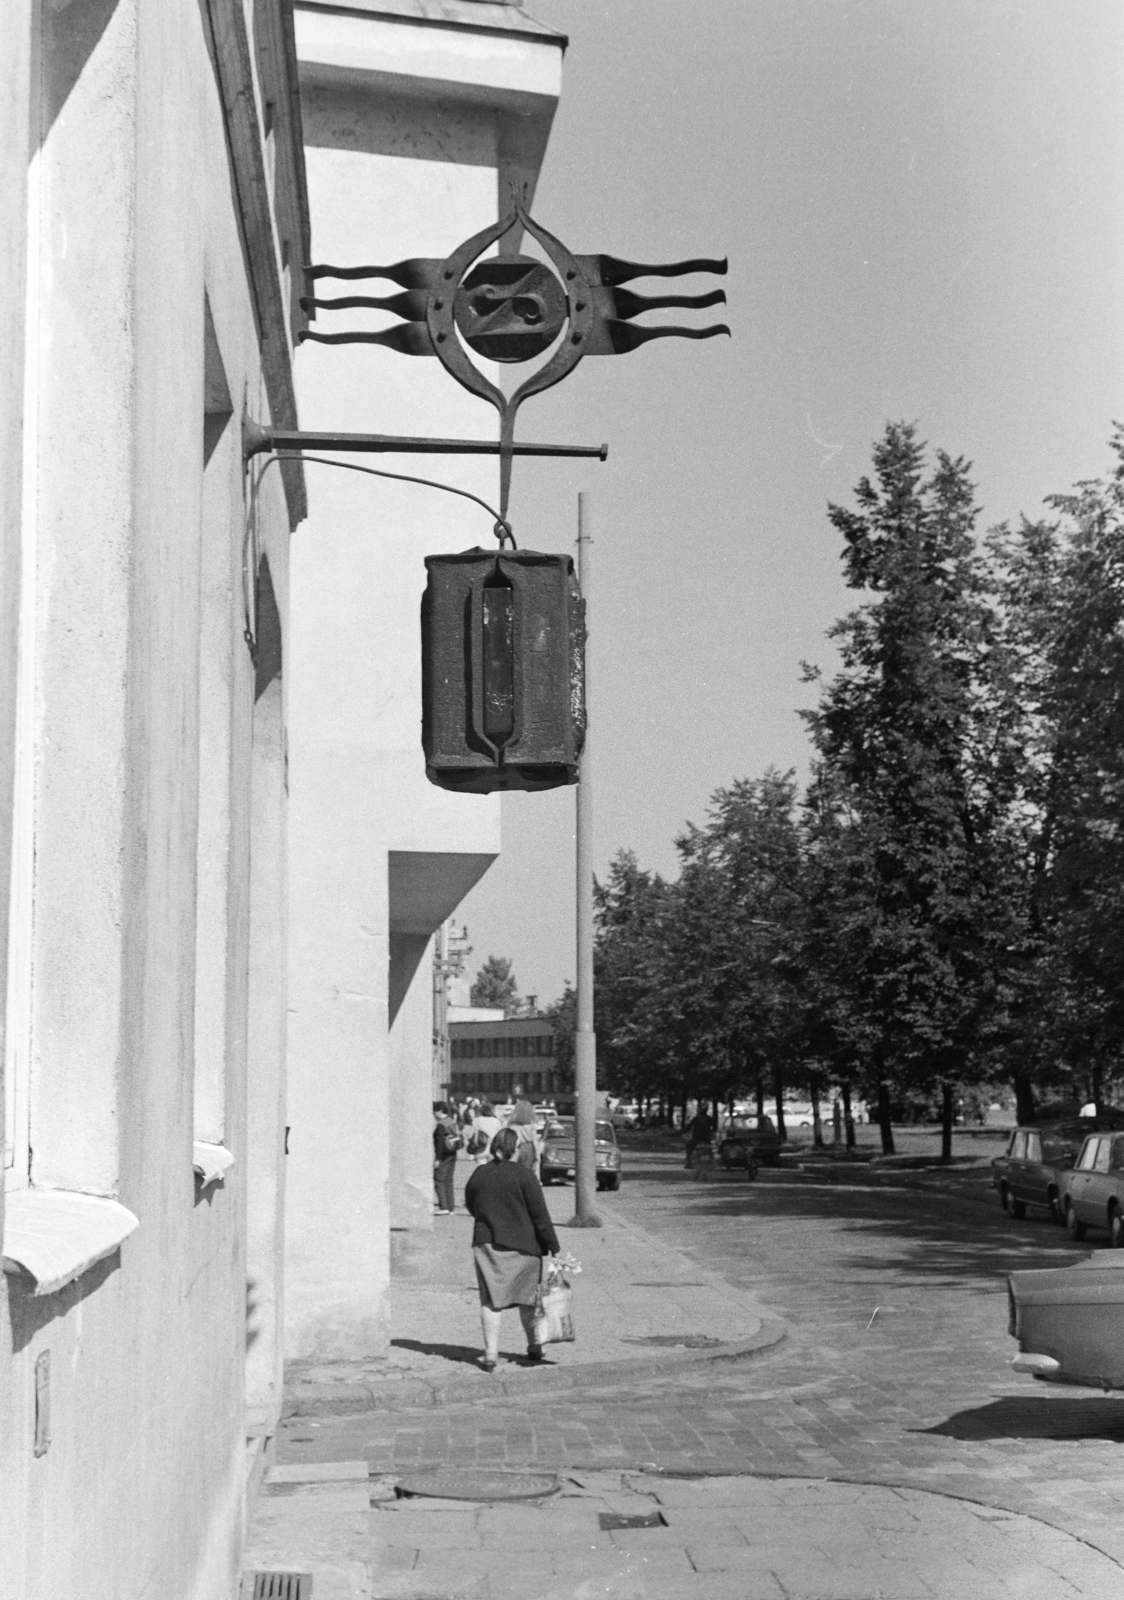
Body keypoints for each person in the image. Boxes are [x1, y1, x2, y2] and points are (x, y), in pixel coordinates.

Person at [464, 1126, 559, 1371]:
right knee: (528, 1300)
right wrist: (552, 1245)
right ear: (514, 1150)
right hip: (524, 1248)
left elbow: (471, 1205)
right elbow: (540, 1216)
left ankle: (490, 1354)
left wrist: (488, 1218)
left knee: (490, 1301)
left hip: (487, 1245)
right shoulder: (526, 1176)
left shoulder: (479, 1174)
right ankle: (535, 1346)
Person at [432, 1101, 462, 1214]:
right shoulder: (451, 1121)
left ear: (439, 1111)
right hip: (452, 1153)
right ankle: (450, 1208)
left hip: (443, 1155)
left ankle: (443, 1206)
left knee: (438, 1179)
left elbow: (440, 1143)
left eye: (434, 1111)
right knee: (449, 1180)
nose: (434, 1114)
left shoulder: (441, 1125)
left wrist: (437, 1159)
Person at [507, 1097, 540, 1174]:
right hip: (529, 1147)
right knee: (527, 1172)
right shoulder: (532, 1124)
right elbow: (535, 1140)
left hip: (517, 1147)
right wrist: (537, 1154)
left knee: (515, 1172)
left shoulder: (513, 1125)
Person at [467, 1101, 502, 1165]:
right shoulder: (497, 1121)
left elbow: (470, 1136)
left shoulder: (477, 1120)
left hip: (481, 1148)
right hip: (493, 1149)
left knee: (481, 1171)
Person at [683, 1103, 714, 1169]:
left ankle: (688, 1163)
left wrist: (684, 1132)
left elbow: (689, 1126)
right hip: (706, 1139)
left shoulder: (696, 1118)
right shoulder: (709, 1118)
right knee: (710, 1150)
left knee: (689, 1148)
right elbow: (715, 1127)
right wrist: (711, 1132)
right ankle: (711, 1163)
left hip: (696, 1139)